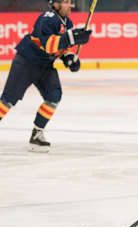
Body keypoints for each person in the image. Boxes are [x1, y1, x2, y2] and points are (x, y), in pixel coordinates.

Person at [0, 0, 91, 152]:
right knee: (8, 101)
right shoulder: (47, 18)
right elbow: (48, 44)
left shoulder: (67, 23)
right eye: (66, 2)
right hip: (27, 62)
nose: (70, 5)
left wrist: (68, 58)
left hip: (45, 65)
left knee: (54, 96)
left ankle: (36, 135)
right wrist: (70, 38)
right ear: (56, 5)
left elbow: (62, 47)